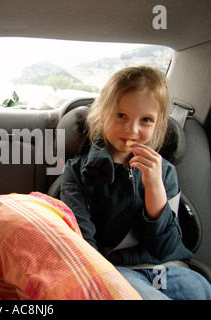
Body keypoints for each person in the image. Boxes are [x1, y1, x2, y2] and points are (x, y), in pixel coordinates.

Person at [60, 66, 211, 300]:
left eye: (146, 120)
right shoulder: (78, 173)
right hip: (117, 271)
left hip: (170, 268)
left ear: (158, 123)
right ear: (102, 114)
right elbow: (83, 245)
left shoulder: (165, 172)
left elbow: (168, 247)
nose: (132, 130)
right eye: (121, 115)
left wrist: (155, 187)